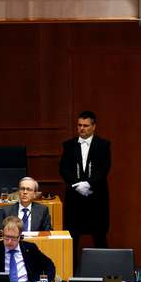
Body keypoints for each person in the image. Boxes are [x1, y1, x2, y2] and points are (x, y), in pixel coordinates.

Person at [59, 111, 111, 260]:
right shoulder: (68, 145)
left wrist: (88, 184)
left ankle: (104, 273)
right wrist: (77, 184)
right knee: (72, 236)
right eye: (79, 125)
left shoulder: (103, 145)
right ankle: (71, 275)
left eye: (86, 126)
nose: (82, 128)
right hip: (75, 198)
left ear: (94, 127)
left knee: (99, 236)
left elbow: (104, 168)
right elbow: (63, 169)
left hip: (96, 197)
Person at [0, 216, 55, 282]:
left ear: (20, 236)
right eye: (7, 237)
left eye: (13, 238)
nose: (9, 242)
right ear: (2, 233)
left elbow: (49, 266)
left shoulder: (30, 248)